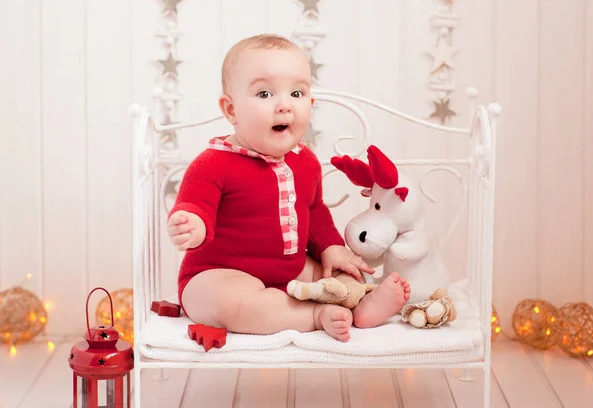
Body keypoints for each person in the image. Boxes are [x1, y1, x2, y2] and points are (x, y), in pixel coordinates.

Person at [166, 34, 410, 342]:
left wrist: (330, 247)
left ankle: (363, 305)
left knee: (341, 274)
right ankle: (312, 315)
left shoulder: (305, 161)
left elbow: (314, 210)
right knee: (232, 303)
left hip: (289, 269)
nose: (284, 106)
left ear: (310, 103)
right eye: (265, 93)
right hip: (221, 273)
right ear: (231, 110)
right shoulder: (215, 162)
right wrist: (194, 224)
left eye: (296, 92)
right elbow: (196, 203)